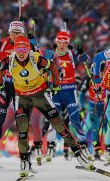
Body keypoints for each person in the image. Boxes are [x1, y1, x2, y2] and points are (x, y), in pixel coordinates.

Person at [0, 36, 92, 178]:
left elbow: (53, 67)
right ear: (14, 49)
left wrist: (56, 85)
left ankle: (79, 155)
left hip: (40, 96)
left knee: (59, 126)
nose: (21, 53)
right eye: (18, 49)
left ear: (28, 49)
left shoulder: (36, 58)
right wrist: (0, 83)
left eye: (24, 49)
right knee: (22, 130)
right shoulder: (8, 61)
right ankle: (24, 162)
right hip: (22, 98)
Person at [0, 21, 27, 164]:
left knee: (21, 120)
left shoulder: (27, 45)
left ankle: (24, 155)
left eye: (18, 33)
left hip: (19, 88)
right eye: (13, 32)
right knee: (0, 118)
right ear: (8, 32)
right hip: (2, 87)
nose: (15, 36)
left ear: (23, 33)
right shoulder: (0, 44)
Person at [45, 31, 89, 160]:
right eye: (60, 42)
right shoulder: (51, 55)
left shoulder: (72, 54)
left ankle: (83, 147)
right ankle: (50, 148)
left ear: (68, 43)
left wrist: (82, 53)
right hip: (56, 92)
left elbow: (86, 60)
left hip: (70, 91)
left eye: (65, 42)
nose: (62, 45)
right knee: (53, 119)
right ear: (56, 42)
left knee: (75, 119)